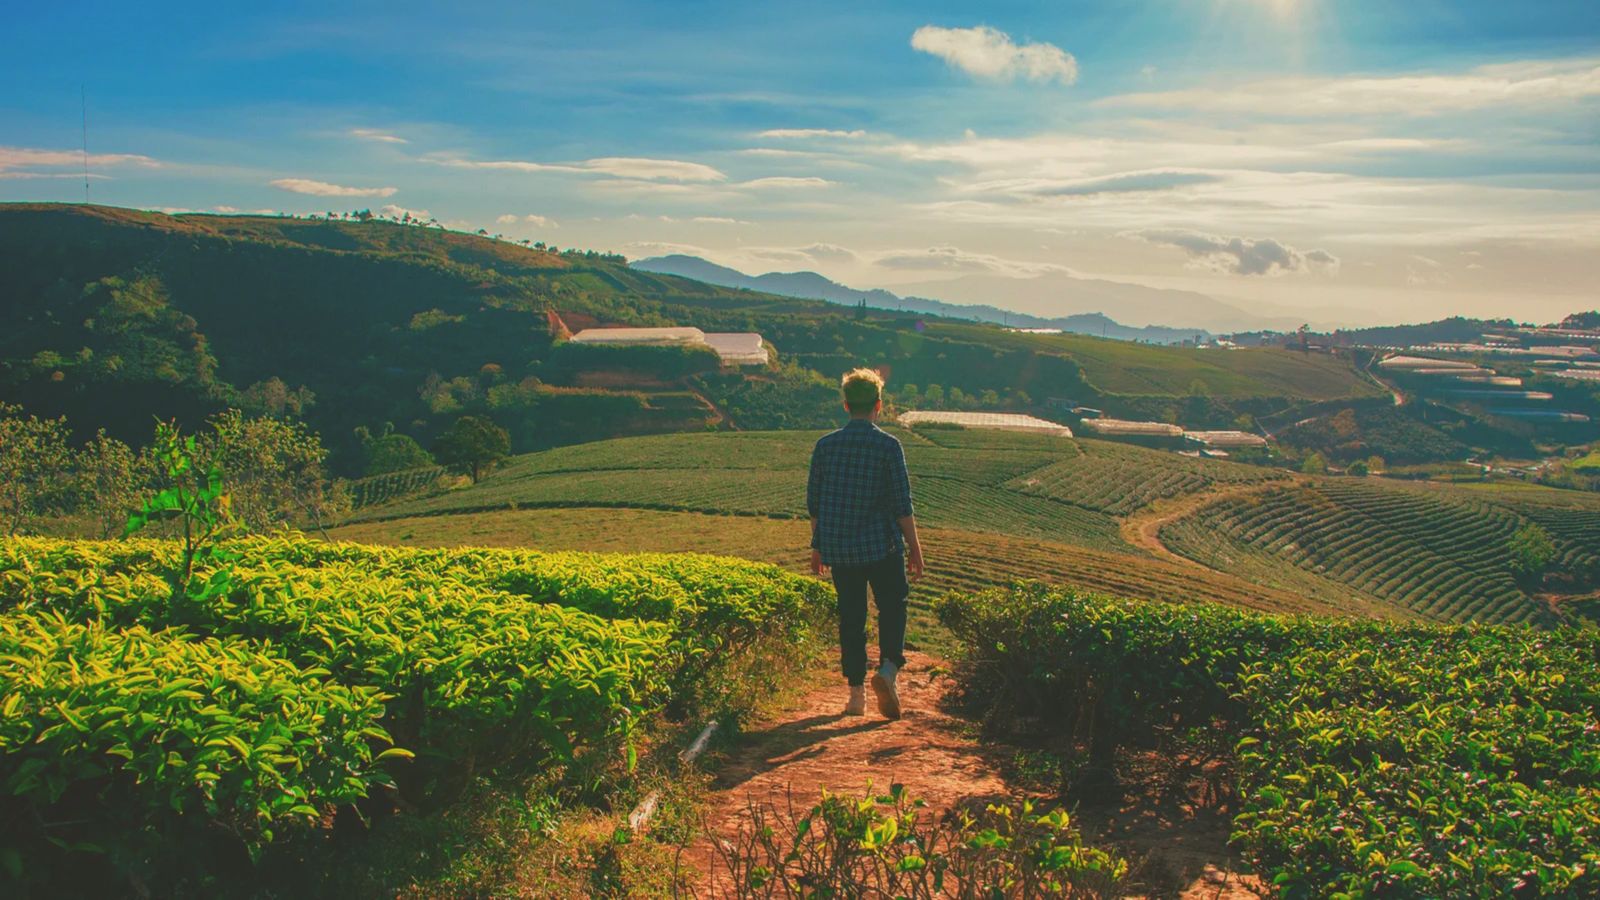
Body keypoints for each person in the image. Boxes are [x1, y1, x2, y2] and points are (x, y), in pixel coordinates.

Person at [806, 368, 925, 719]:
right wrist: (915, 550)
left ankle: (856, 695)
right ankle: (888, 669)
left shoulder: (825, 446)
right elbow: (902, 504)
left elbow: (815, 503)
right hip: (883, 547)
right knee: (893, 606)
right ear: (879, 405)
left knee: (851, 617)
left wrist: (818, 547)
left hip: (841, 550)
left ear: (846, 406)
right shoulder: (889, 446)